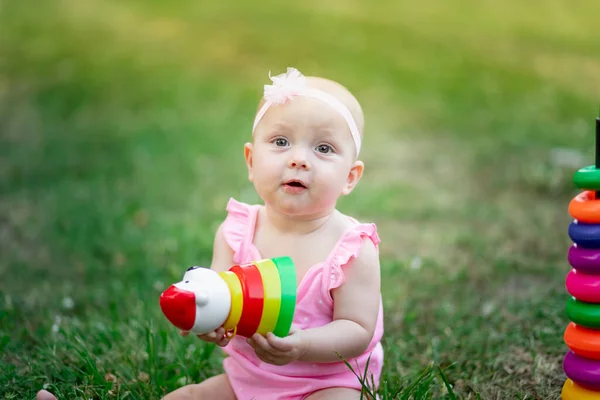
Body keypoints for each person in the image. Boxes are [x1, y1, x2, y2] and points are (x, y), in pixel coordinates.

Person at [37, 67, 384, 400]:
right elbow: (220, 296)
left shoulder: (352, 249)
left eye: (323, 149)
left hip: (328, 384)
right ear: (250, 161)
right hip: (251, 380)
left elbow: (357, 330)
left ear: (350, 177)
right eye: (281, 141)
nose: (299, 159)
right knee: (186, 397)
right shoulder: (237, 232)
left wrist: (302, 346)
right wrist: (209, 321)